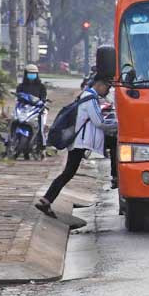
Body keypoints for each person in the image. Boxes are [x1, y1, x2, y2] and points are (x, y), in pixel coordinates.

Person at [35, 75, 117, 218]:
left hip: (81, 140)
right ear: (98, 84)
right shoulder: (90, 99)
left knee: (68, 172)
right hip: (81, 141)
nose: (107, 90)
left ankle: (46, 200)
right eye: (107, 87)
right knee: (69, 172)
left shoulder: (87, 96)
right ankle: (115, 176)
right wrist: (119, 125)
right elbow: (99, 122)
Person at [16, 64, 47, 149]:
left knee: (41, 126)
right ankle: (9, 141)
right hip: (24, 108)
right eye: (30, 73)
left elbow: (43, 97)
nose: (32, 75)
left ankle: (42, 144)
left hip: (36, 109)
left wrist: (42, 102)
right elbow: (18, 96)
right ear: (26, 74)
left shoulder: (41, 86)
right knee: (14, 121)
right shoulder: (21, 86)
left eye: (34, 73)